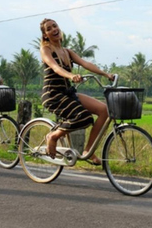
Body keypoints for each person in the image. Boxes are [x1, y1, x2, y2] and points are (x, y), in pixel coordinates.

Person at [39, 18, 114, 165]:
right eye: (49, 28)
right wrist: (71, 75)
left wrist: (106, 74)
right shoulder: (46, 49)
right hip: (53, 95)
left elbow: (86, 63)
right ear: (45, 35)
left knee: (104, 110)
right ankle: (53, 137)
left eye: (55, 26)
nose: (54, 29)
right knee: (83, 117)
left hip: (68, 93)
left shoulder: (67, 52)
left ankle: (88, 151)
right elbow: (55, 68)